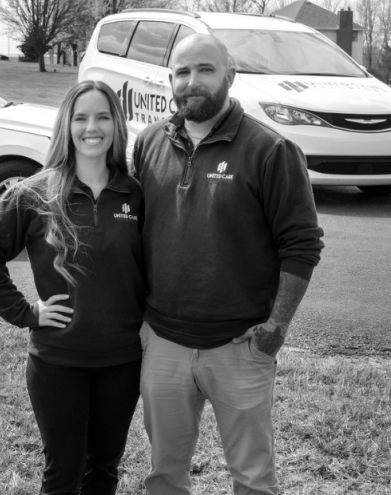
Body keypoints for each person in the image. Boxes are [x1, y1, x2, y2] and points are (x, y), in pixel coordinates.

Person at [132, 34, 324, 495]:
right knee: (164, 474)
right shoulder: (148, 144)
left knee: (253, 479)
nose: (192, 82)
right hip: (163, 344)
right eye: (182, 72)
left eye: (205, 69)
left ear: (230, 76)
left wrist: (276, 326)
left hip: (239, 347)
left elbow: (302, 243)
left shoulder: (270, 150)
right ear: (170, 81)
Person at [0, 80, 145, 495]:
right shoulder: (34, 193)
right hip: (58, 361)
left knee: (103, 470)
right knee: (62, 474)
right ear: (66, 126)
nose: (92, 127)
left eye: (103, 116)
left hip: (122, 361)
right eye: (81, 117)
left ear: (117, 125)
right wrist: (26, 312)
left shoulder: (135, 194)